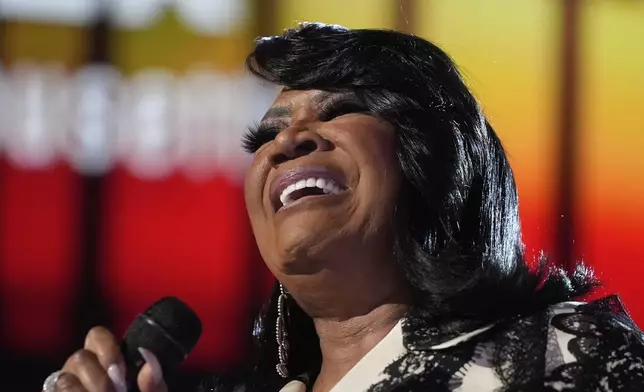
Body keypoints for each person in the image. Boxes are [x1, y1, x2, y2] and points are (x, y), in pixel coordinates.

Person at [43, 23, 644, 392]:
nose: (287, 142)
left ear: (433, 157)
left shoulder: (560, 356)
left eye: (336, 113)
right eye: (263, 139)